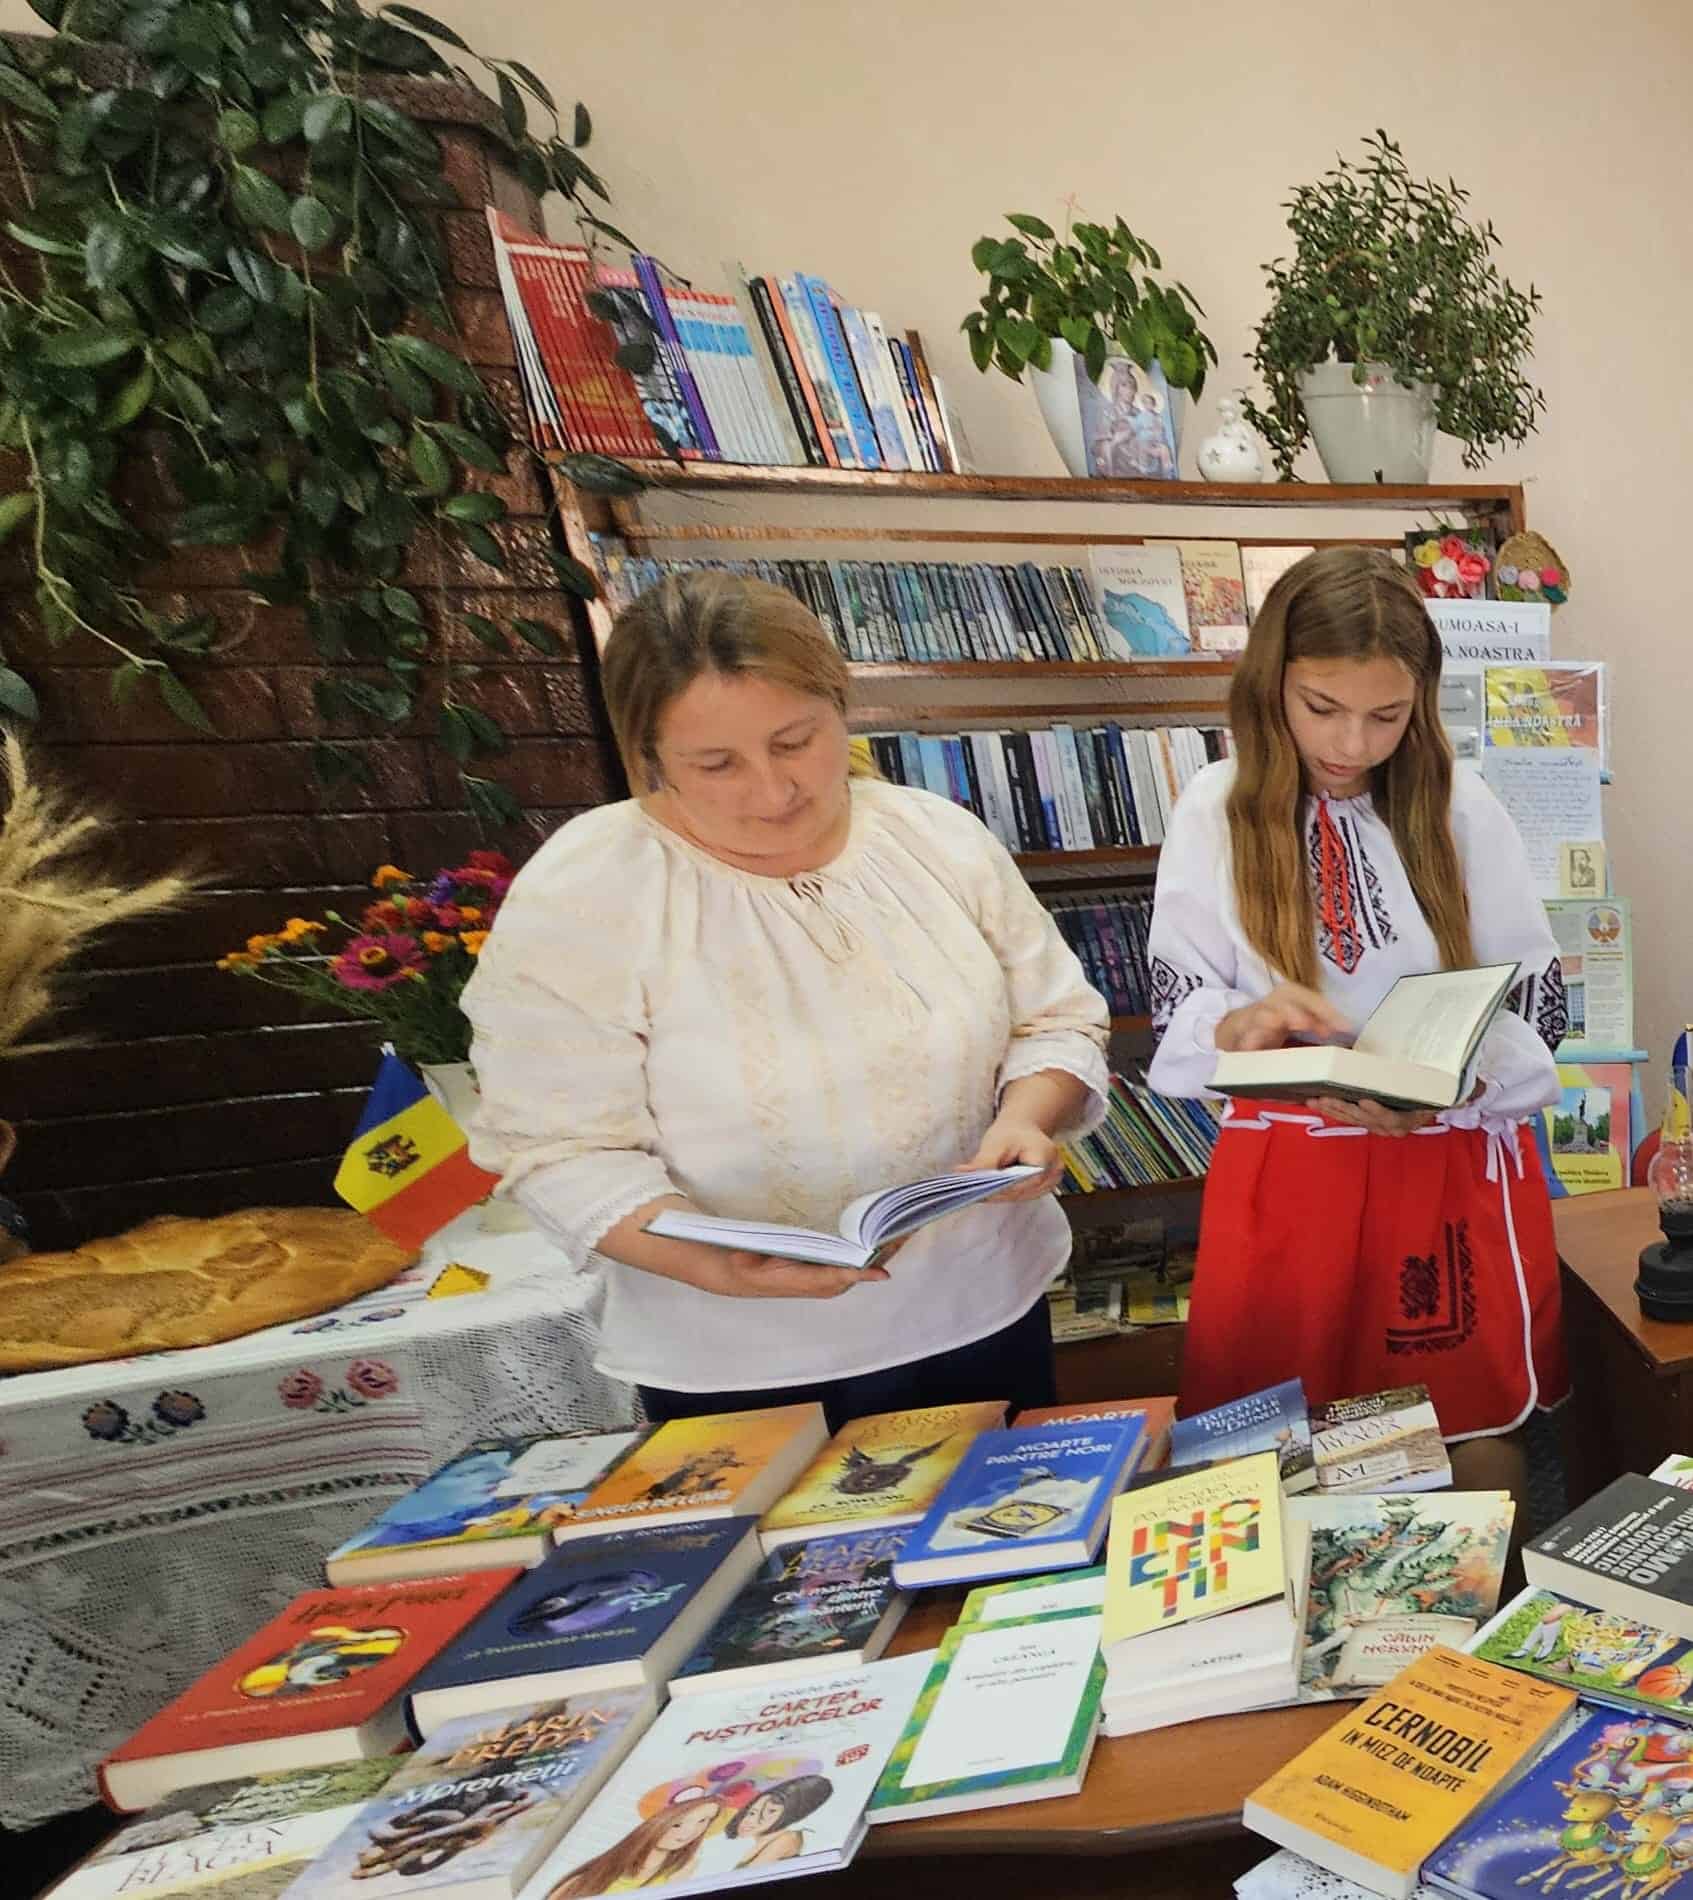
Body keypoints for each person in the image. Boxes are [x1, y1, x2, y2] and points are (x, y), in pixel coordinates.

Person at [462, 572, 1108, 1430]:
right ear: (647, 754)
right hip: (739, 1359)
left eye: (797, 741)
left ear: (839, 708)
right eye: (715, 765)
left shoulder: (935, 839)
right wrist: (704, 1259)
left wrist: (1027, 1117)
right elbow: (558, 1144)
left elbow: (1054, 1020)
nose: (772, 793)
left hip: (978, 1306)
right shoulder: (591, 887)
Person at [1146, 546, 1568, 1503]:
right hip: (1290, 1174)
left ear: (1420, 700)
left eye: (1387, 715)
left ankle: (1457, 1632)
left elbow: (1534, 1002)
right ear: (1270, 688)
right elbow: (1181, 1010)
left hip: (1437, 1158)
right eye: (1321, 709)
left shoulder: (1462, 805)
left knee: (1457, 1428)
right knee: (1279, 1453)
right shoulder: (1213, 809)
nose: (1351, 743)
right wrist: (1245, 1022)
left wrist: (1458, 1075)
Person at [546, 1793, 726, 1898]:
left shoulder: (684, 1868)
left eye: (704, 1821)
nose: (689, 1833)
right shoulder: (586, 1878)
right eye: (677, 1824)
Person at [724, 1776, 834, 1866]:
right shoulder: (762, 1840)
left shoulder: (787, 1839)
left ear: (787, 1815)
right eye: (752, 1812)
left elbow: (748, 1875)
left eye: (771, 1812)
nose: (751, 1820)